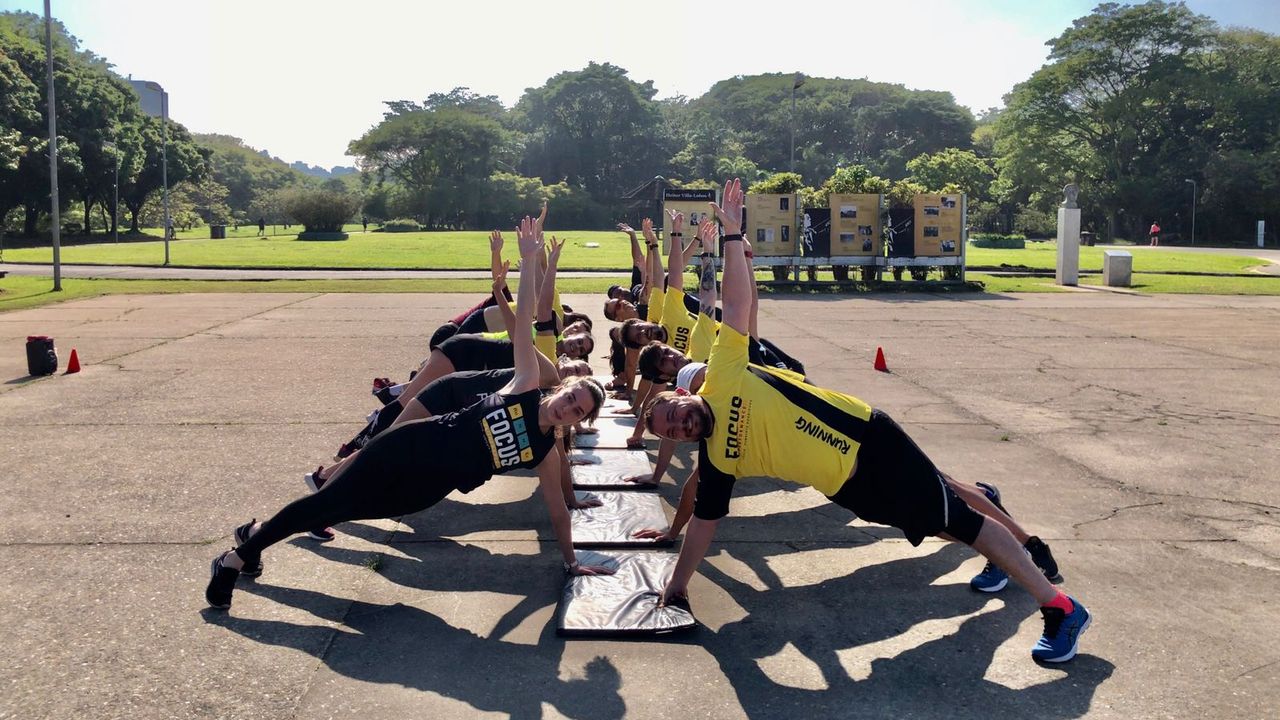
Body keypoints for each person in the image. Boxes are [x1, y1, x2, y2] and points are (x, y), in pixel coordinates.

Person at [642, 179, 1090, 663]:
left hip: (870, 442)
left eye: (673, 412)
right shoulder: (716, 462)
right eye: (671, 431)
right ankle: (1006, 553)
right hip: (847, 489)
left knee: (960, 520)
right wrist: (676, 584)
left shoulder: (723, 373)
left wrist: (731, 239)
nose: (679, 424)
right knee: (940, 522)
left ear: (680, 392)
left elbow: (736, 306)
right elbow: (703, 527)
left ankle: (1060, 607)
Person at [205, 216, 614, 610]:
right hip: (411, 444)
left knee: (345, 510)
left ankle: (254, 536)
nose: (567, 408)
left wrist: (571, 561)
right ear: (562, 387)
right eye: (571, 396)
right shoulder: (524, 383)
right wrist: (528, 262)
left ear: (576, 421)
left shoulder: (544, 451)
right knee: (327, 503)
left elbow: (558, 511)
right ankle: (233, 561)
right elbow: (524, 320)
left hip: (426, 489)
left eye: (576, 411)